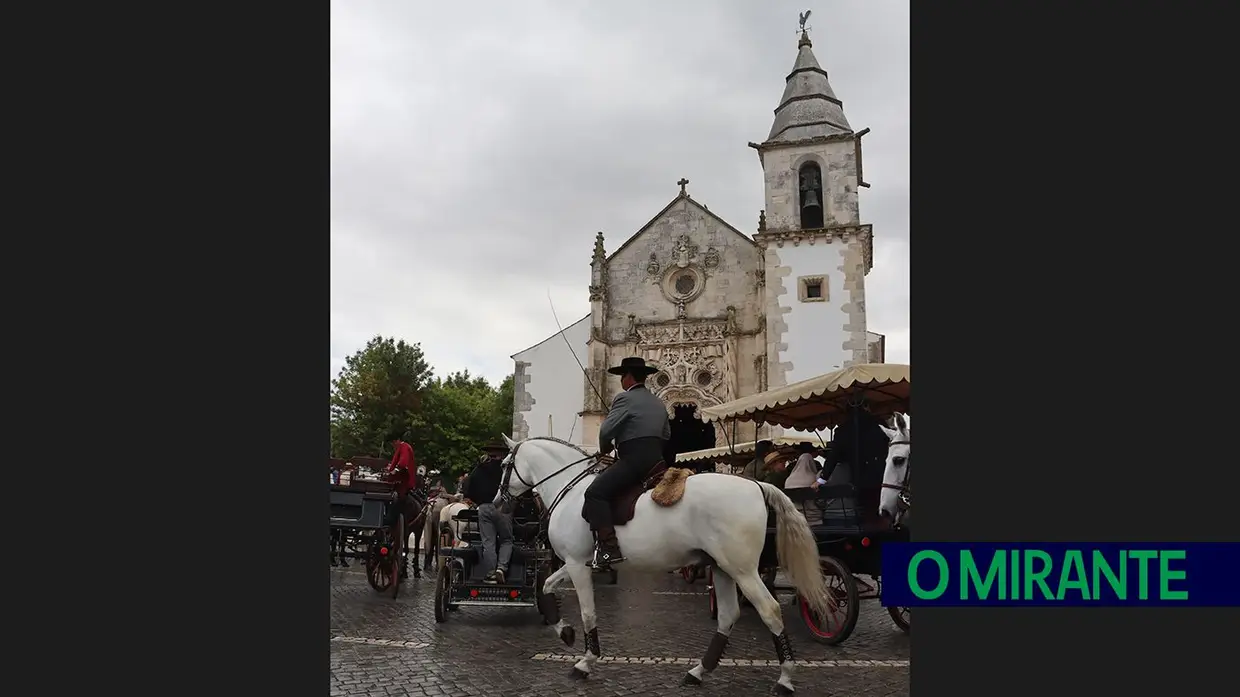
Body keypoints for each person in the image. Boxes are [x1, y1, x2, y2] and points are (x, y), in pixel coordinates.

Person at [583, 356, 671, 569]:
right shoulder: (659, 402)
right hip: (657, 461)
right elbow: (667, 435)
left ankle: (608, 548)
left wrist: (605, 450)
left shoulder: (624, 399)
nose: (622, 379)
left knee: (595, 493)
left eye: (623, 375)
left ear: (629, 377)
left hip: (634, 460)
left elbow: (605, 431)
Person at [464, 442, 514, 584]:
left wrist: (479, 501)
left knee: (488, 542)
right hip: (502, 507)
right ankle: (501, 568)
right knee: (506, 540)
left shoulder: (479, 469)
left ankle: (491, 573)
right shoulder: (506, 470)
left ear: (489, 454)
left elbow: (468, 489)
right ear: (503, 455)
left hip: (484, 508)